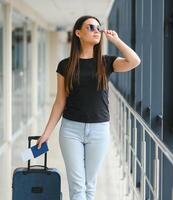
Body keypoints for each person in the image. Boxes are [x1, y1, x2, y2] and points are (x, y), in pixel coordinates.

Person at [36, 15, 141, 200]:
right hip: (71, 130)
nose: (96, 31)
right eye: (91, 27)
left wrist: (116, 40)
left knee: (89, 186)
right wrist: (47, 133)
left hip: (99, 129)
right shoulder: (65, 65)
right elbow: (60, 100)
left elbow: (134, 61)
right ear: (78, 33)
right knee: (77, 187)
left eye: (98, 28)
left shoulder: (107, 62)